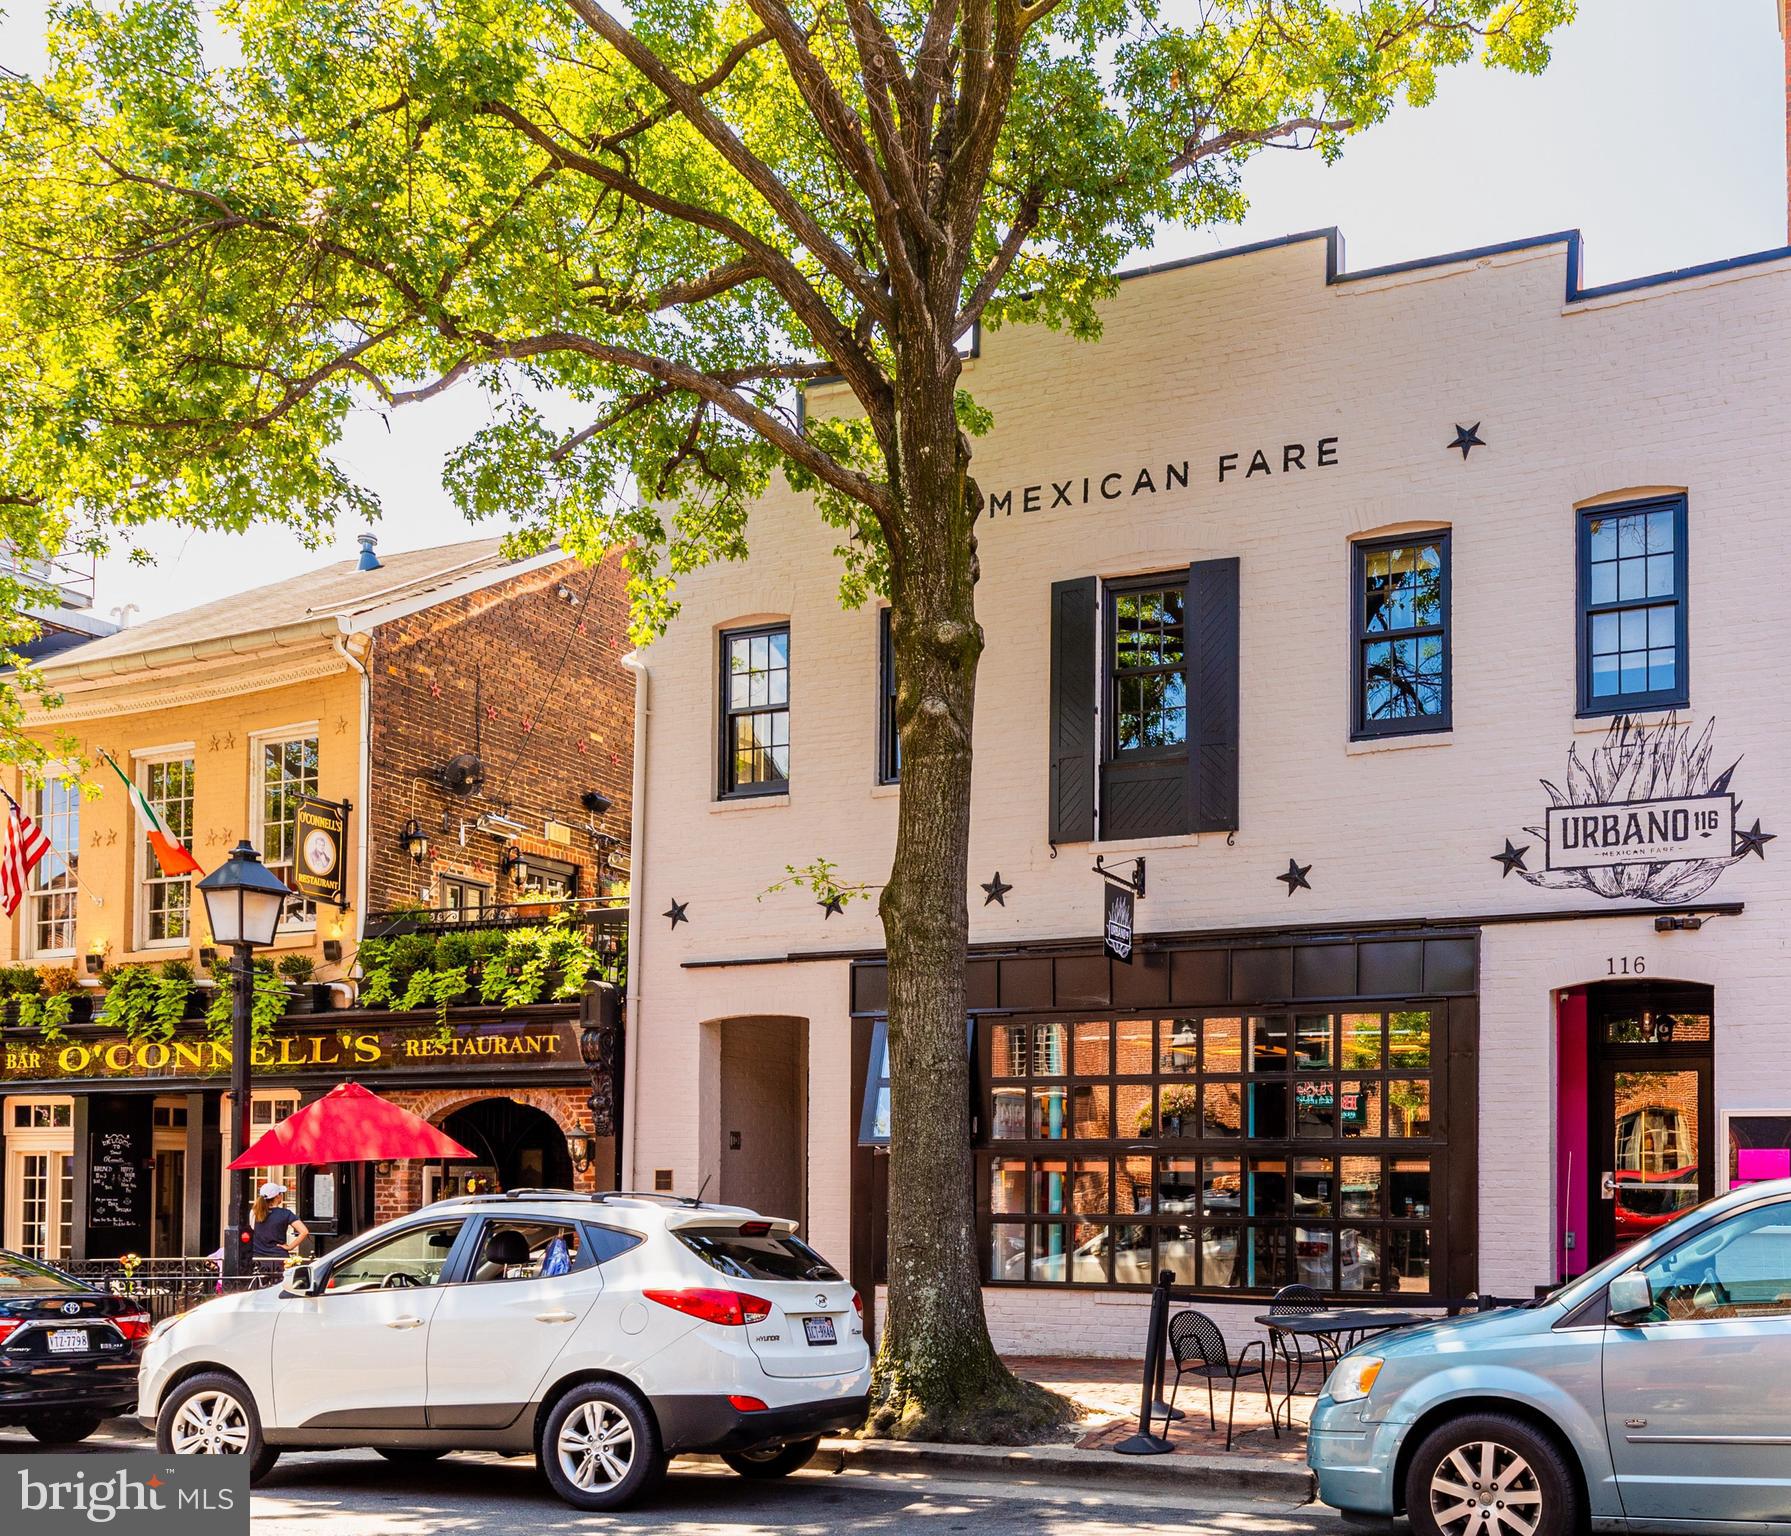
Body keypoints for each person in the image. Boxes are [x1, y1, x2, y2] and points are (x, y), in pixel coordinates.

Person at [249, 1181, 309, 1266]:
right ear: (277, 1196)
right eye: (281, 1194)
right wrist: (290, 1247)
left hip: (257, 1258)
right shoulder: (285, 1213)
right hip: (278, 1258)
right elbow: (304, 1231)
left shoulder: (254, 1212)